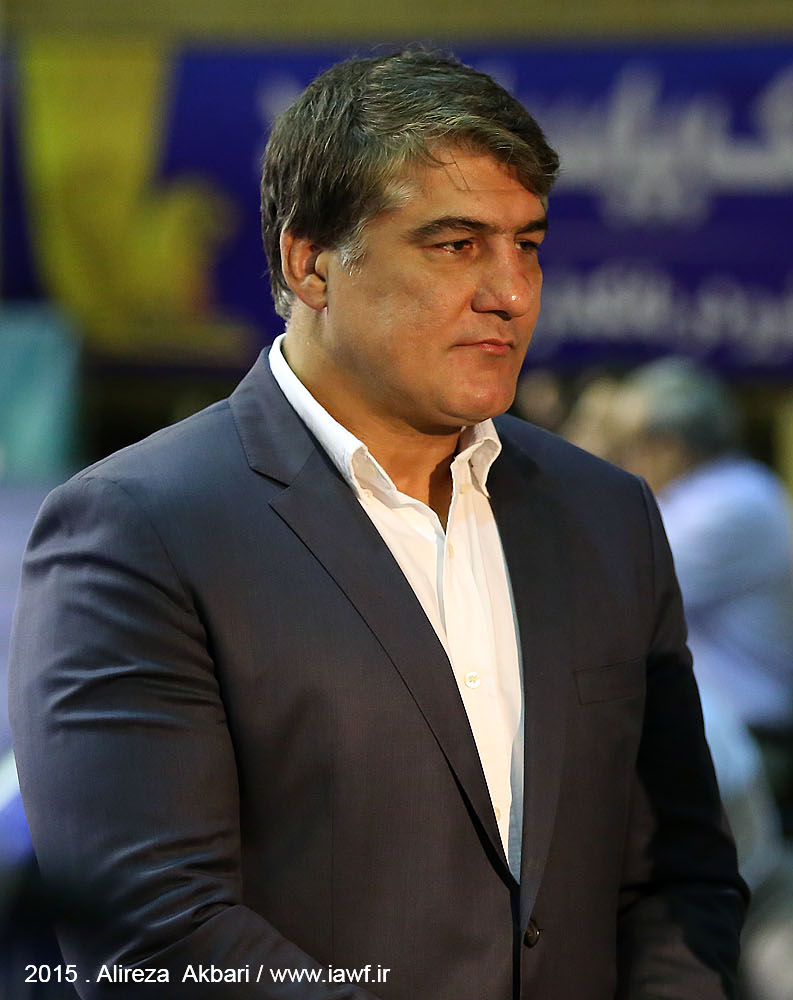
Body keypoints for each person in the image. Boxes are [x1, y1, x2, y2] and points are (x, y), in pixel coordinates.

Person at [8, 49, 744, 999]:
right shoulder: (134, 532)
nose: (512, 292)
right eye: (457, 245)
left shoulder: (608, 515)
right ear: (309, 263)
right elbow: (156, 935)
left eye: (527, 245)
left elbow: (681, 877)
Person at [609, 359, 793, 747]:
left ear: (668, 445)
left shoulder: (732, 500)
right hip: (714, 727)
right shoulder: (702, 494)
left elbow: (612, 590)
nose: (625, 460)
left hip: (750, 732)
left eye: (629, 444)